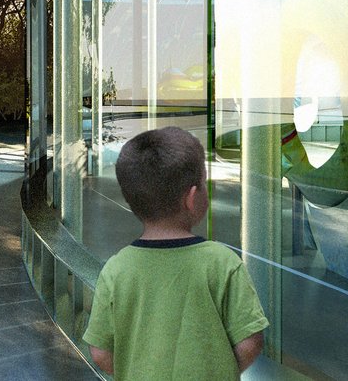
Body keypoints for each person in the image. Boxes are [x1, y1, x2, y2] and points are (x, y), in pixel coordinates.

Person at [82, 126, 270, 380]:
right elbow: (250, 342)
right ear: (192, 198)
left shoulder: (116, 269)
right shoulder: (223, 262)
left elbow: (100, 351)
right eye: (204, 183)